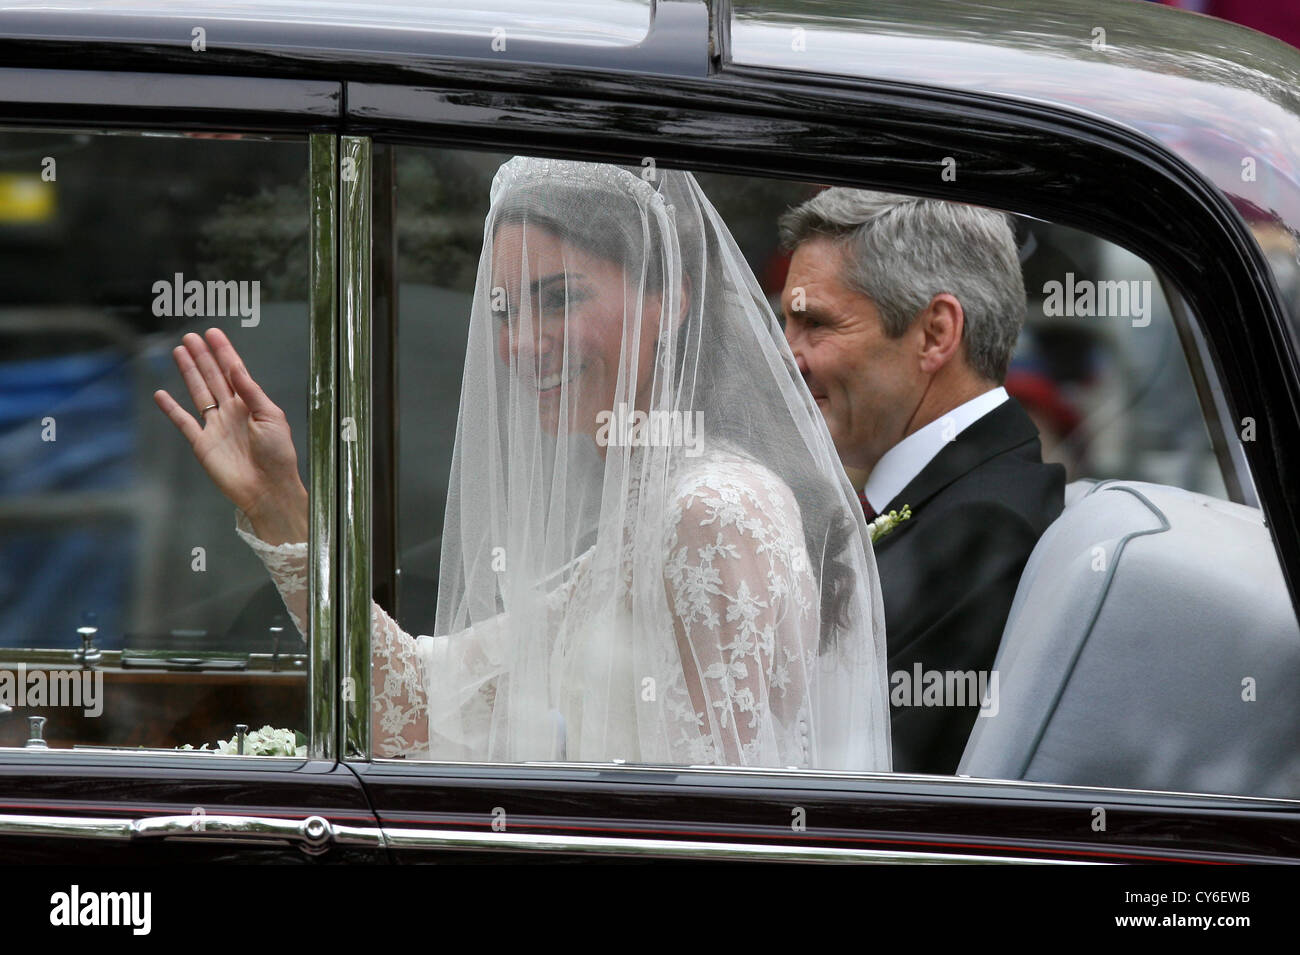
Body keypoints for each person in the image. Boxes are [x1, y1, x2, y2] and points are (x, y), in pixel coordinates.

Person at [154, 157, 891, 771]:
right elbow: (418, 708)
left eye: (559, 299)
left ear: (669, 301)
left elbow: (726, 824)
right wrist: (282, 508)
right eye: (505, 310)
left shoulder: (712, 507)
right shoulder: (650, 510)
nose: (522, 342)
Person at [779, 188, 1065, 775]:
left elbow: (865, 787)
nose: (787, 356)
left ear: (935, 333)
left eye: (815, 324)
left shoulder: (983, 528)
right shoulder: (966, 498)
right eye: (784, 322)